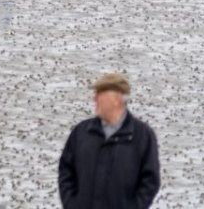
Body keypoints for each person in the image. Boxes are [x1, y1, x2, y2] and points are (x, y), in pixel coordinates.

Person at [58, 73, 160, 209]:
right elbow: (66, 171)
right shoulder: (81, 132)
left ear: (117, 98)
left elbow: (150, 181)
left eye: (99, 93)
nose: (94, 98)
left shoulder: (142, 135)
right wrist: (71, 205)